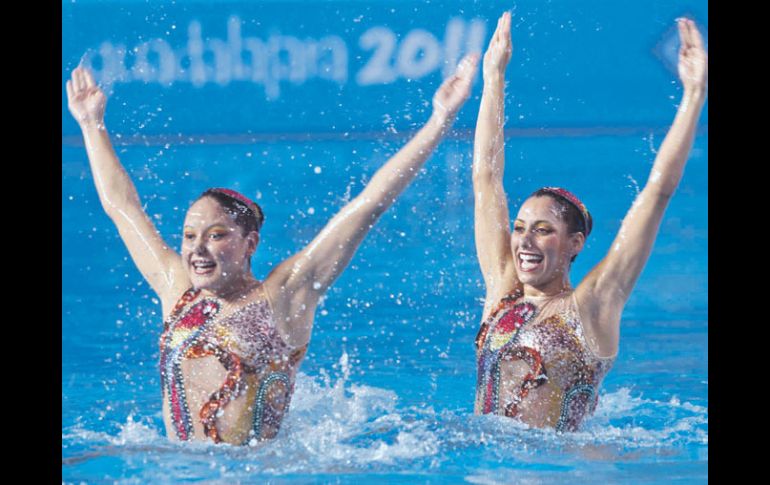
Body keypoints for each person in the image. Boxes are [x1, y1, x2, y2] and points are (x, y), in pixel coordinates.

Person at [66, 53, 479, 445]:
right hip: (180, 469)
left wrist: (439, 121)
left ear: (250, 243)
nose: (198, 249)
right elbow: (123, 208)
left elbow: (369, 204)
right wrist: (90, 124)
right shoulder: (178, 290)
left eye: (216, 235)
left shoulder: (282, 296)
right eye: (190, 236)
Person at [471, 12, 706, 431]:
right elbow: (486, 179)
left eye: (543, 230)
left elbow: (658, 192)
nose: (524, 241)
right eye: (521, 227)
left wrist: (694, 96)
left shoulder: (593, 306)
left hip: (555, 471)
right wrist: (494, 79)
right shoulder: (502, 290)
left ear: (575, 243)